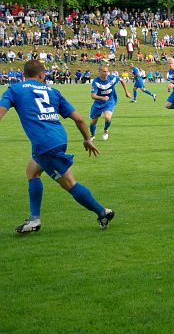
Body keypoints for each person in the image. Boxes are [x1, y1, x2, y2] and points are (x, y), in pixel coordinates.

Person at [0, 60, 115, 233]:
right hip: (58, 138)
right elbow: (79, 119)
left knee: (69, 183)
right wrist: (86, 139)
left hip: (45, 144)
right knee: (32, 171)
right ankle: (34, 219)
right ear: (42, 75)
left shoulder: (14, 90)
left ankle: (102, 212)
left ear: (23, 75)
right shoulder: (53, 91)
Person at [89, 64, 131, 141]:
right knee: (94, 121)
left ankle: (105, 130)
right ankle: (92, 135)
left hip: (110, 100)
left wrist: (127, 92)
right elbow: (93, 96)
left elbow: (122, 80)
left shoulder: (112, 78)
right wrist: (102, 98)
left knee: (107, 117)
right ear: (99, 71)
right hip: (98, 103)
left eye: (107, 71)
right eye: (104, 71)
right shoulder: (95, 82)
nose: (106, 73)